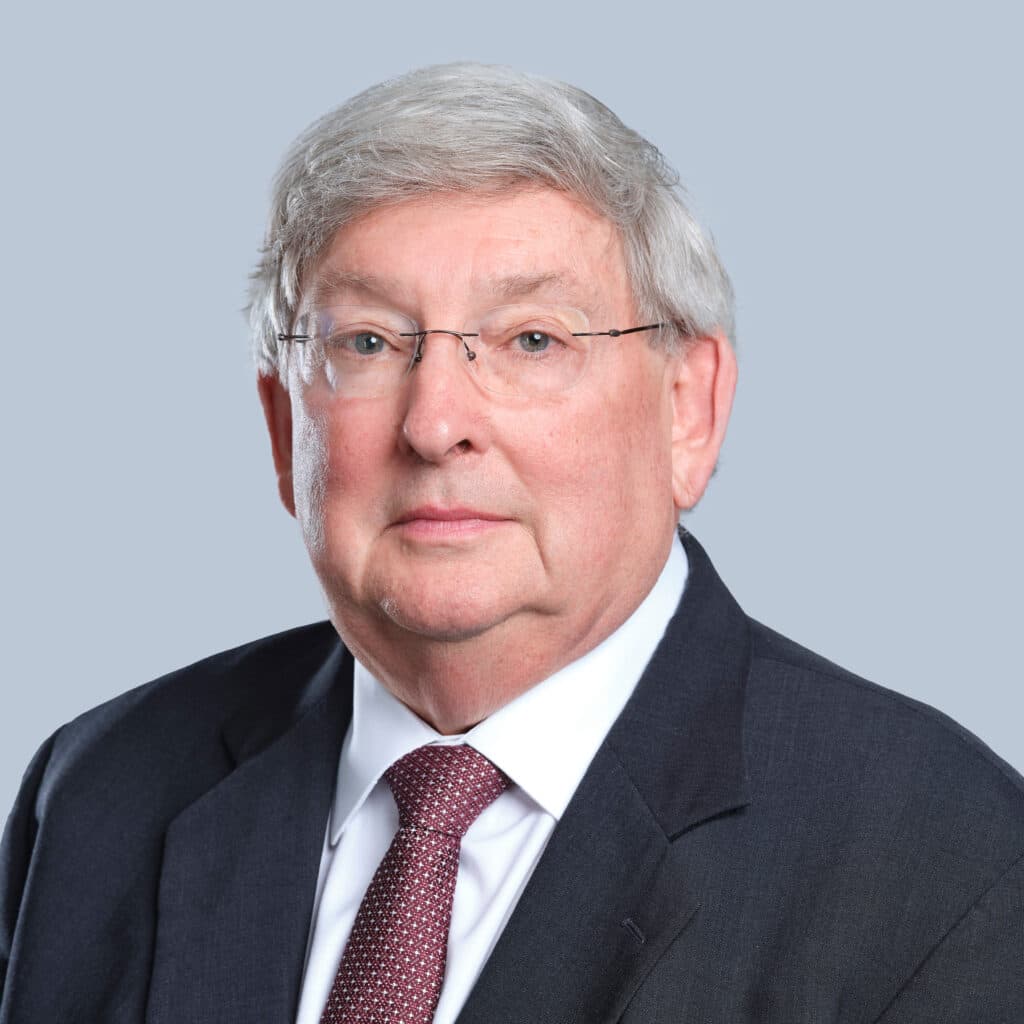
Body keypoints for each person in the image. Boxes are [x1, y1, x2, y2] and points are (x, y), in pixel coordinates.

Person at [1, 62, 1022, 1024]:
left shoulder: (947, 861)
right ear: (284, 429)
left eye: (532, 339)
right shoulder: (101, 790)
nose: (434, 420)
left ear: (688, 411)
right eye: (367, 343)